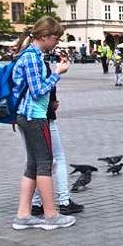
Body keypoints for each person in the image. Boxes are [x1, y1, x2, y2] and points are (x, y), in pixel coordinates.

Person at [11, 17, 76, 231]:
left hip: (27, 115)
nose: (56, 42)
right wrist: (57, 73)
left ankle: (23, 215)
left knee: (33, 164)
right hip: (34, 116)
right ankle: (50, 214)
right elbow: (38, 91)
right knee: (45, 163)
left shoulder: (32, 55)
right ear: (44, 36)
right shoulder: (31, 57)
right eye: (55, 38)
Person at [30, 50, 84, 217]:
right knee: (57, 158)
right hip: (42, 116)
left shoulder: (22, 59)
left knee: (35, 160)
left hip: (27, 117)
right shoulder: (36, 60)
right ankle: (63, 200)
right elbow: (41, 89)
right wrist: (57, 73)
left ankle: (36, 203)